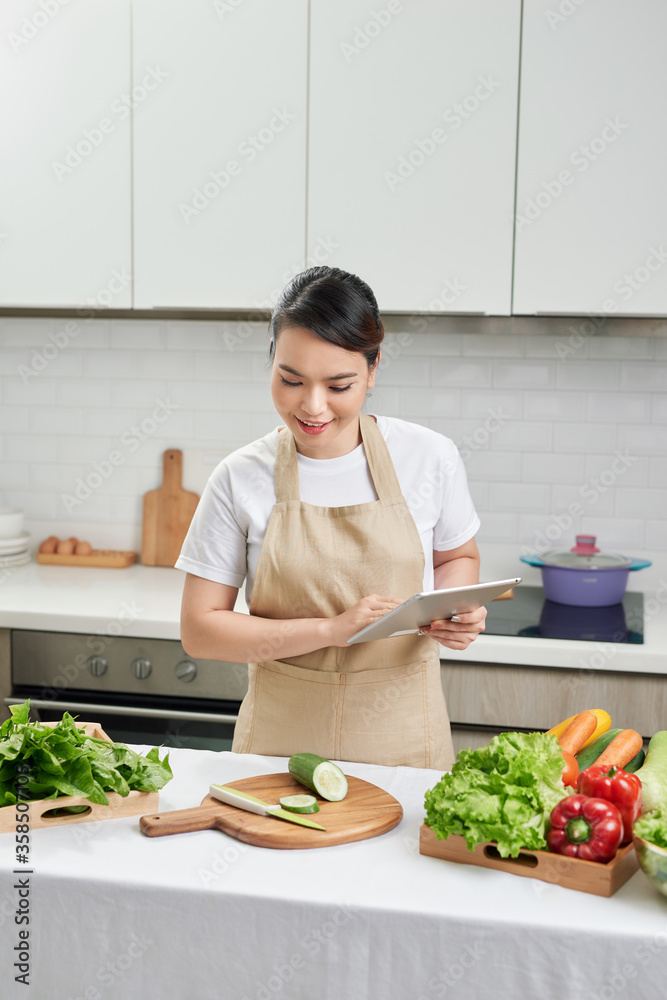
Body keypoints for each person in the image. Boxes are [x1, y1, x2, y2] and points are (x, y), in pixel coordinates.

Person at [177, 266, 486, 770]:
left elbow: (457, 556)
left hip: (405, 747)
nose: (313, 407)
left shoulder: (430, 458)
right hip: (278, 752)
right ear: (271, 360)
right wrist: (330, 631)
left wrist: (456, 609)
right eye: (291, 380)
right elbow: (200, 629)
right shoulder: (240, 476)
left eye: (339, 385)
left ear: (373, 368)